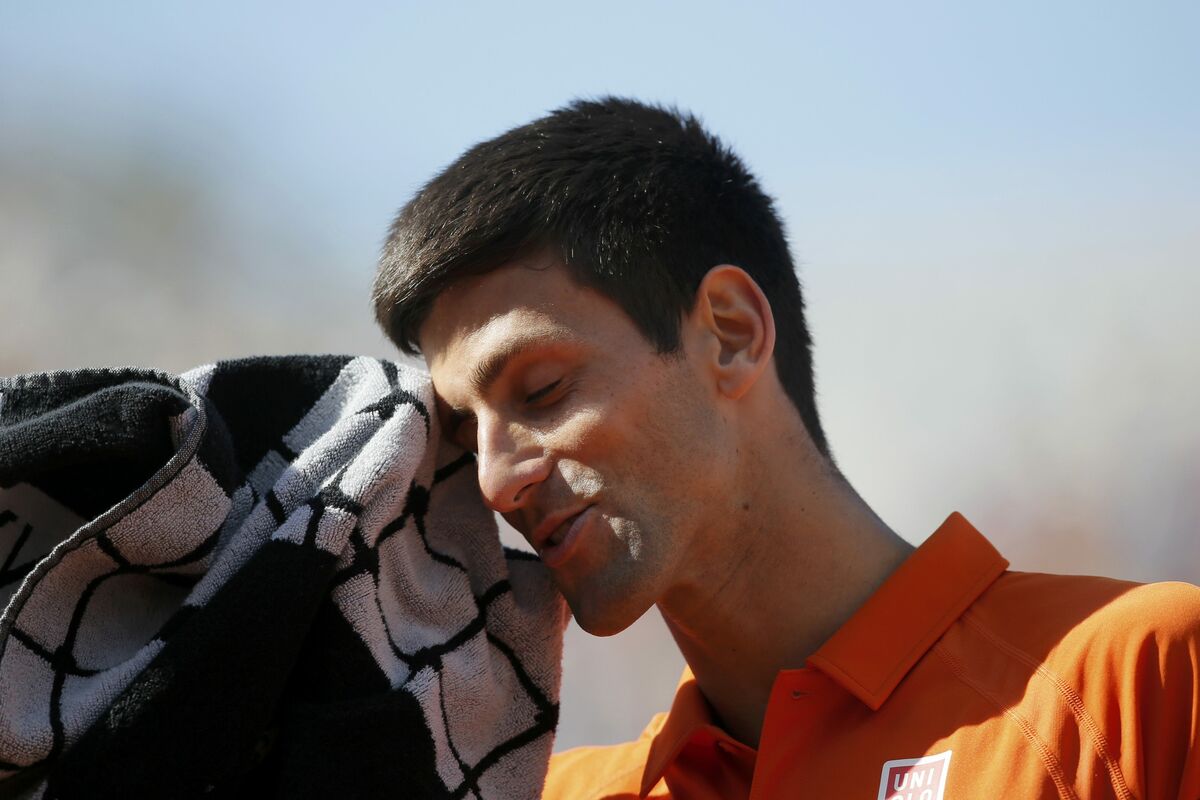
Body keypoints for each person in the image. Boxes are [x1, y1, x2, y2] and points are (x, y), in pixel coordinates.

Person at [371, 98, 1200, 799]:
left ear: (730, 334)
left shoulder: (1137, 678)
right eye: (467, 434)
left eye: (543, 390)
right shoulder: (543, 792)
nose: (496, 481)